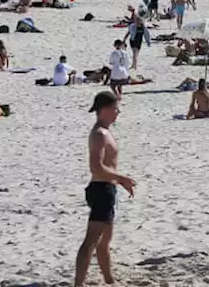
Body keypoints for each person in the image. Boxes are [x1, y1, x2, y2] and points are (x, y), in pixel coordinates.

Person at [74, 91, 137, 287]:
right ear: (105, 110)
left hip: (106, 189)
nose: (118, 112)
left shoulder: (105, 132)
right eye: (116, 108)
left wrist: (119, 182)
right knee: (91, 241)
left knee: (104, 242)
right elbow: (96, 166)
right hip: (101, 189)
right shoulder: (100, 134)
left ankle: (110, 280)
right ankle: (78, 284)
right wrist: (122, 178)